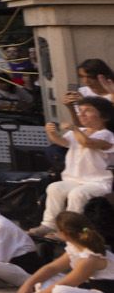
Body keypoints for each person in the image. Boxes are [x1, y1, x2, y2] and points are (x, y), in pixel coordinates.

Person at [34, 96, 114, 237]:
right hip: (74, 179)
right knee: (54, 188)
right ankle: (48, 225)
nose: (81, 114)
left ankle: (70, 230)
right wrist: (51, 132)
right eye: (80, 110)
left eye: (88, 111)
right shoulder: (76, 132)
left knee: (77, 195)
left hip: (98, 182)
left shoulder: (107, 135)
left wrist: (75, 128)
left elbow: (88, 142)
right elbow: (62, 142)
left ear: (104, 116)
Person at [16, 212, 114, 293]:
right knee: (48, 279)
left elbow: (69, 282)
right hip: (94, 290)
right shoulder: (74, 247)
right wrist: (28, 284)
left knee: (60, 292)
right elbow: (52, 268)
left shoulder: (91, 258)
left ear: (64, 233)